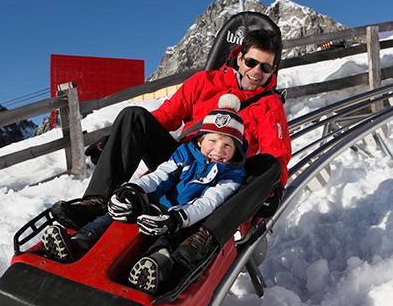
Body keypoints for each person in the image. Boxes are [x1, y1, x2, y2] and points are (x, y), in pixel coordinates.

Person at [50, 28, 292, 273]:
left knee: (269, 165)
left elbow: (277, 153)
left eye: (265, 67)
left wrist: (275, 189)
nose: (256, 72)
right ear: (240, 58)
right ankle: (97, 201)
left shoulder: (269, 105)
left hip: (223, 176)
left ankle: (205, 237)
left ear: (273, 71)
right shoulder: (205, 82)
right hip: (184, 160)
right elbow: (166, 116)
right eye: (251, 62)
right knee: (133, 116)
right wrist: (118, 137)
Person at [42, 97, 247, 294]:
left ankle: (154, 267)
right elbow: (160, 175)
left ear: (235, 151)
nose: (218, 150)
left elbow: (210, 202)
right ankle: (78, 243)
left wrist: (178, 218)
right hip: (156, 205)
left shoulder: (232, 174)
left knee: (166, 241)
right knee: (114, 219)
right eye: (212, 140)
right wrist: (134, 189)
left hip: (182, 219)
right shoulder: (185, 153)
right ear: (201, 140)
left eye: (227, 145)